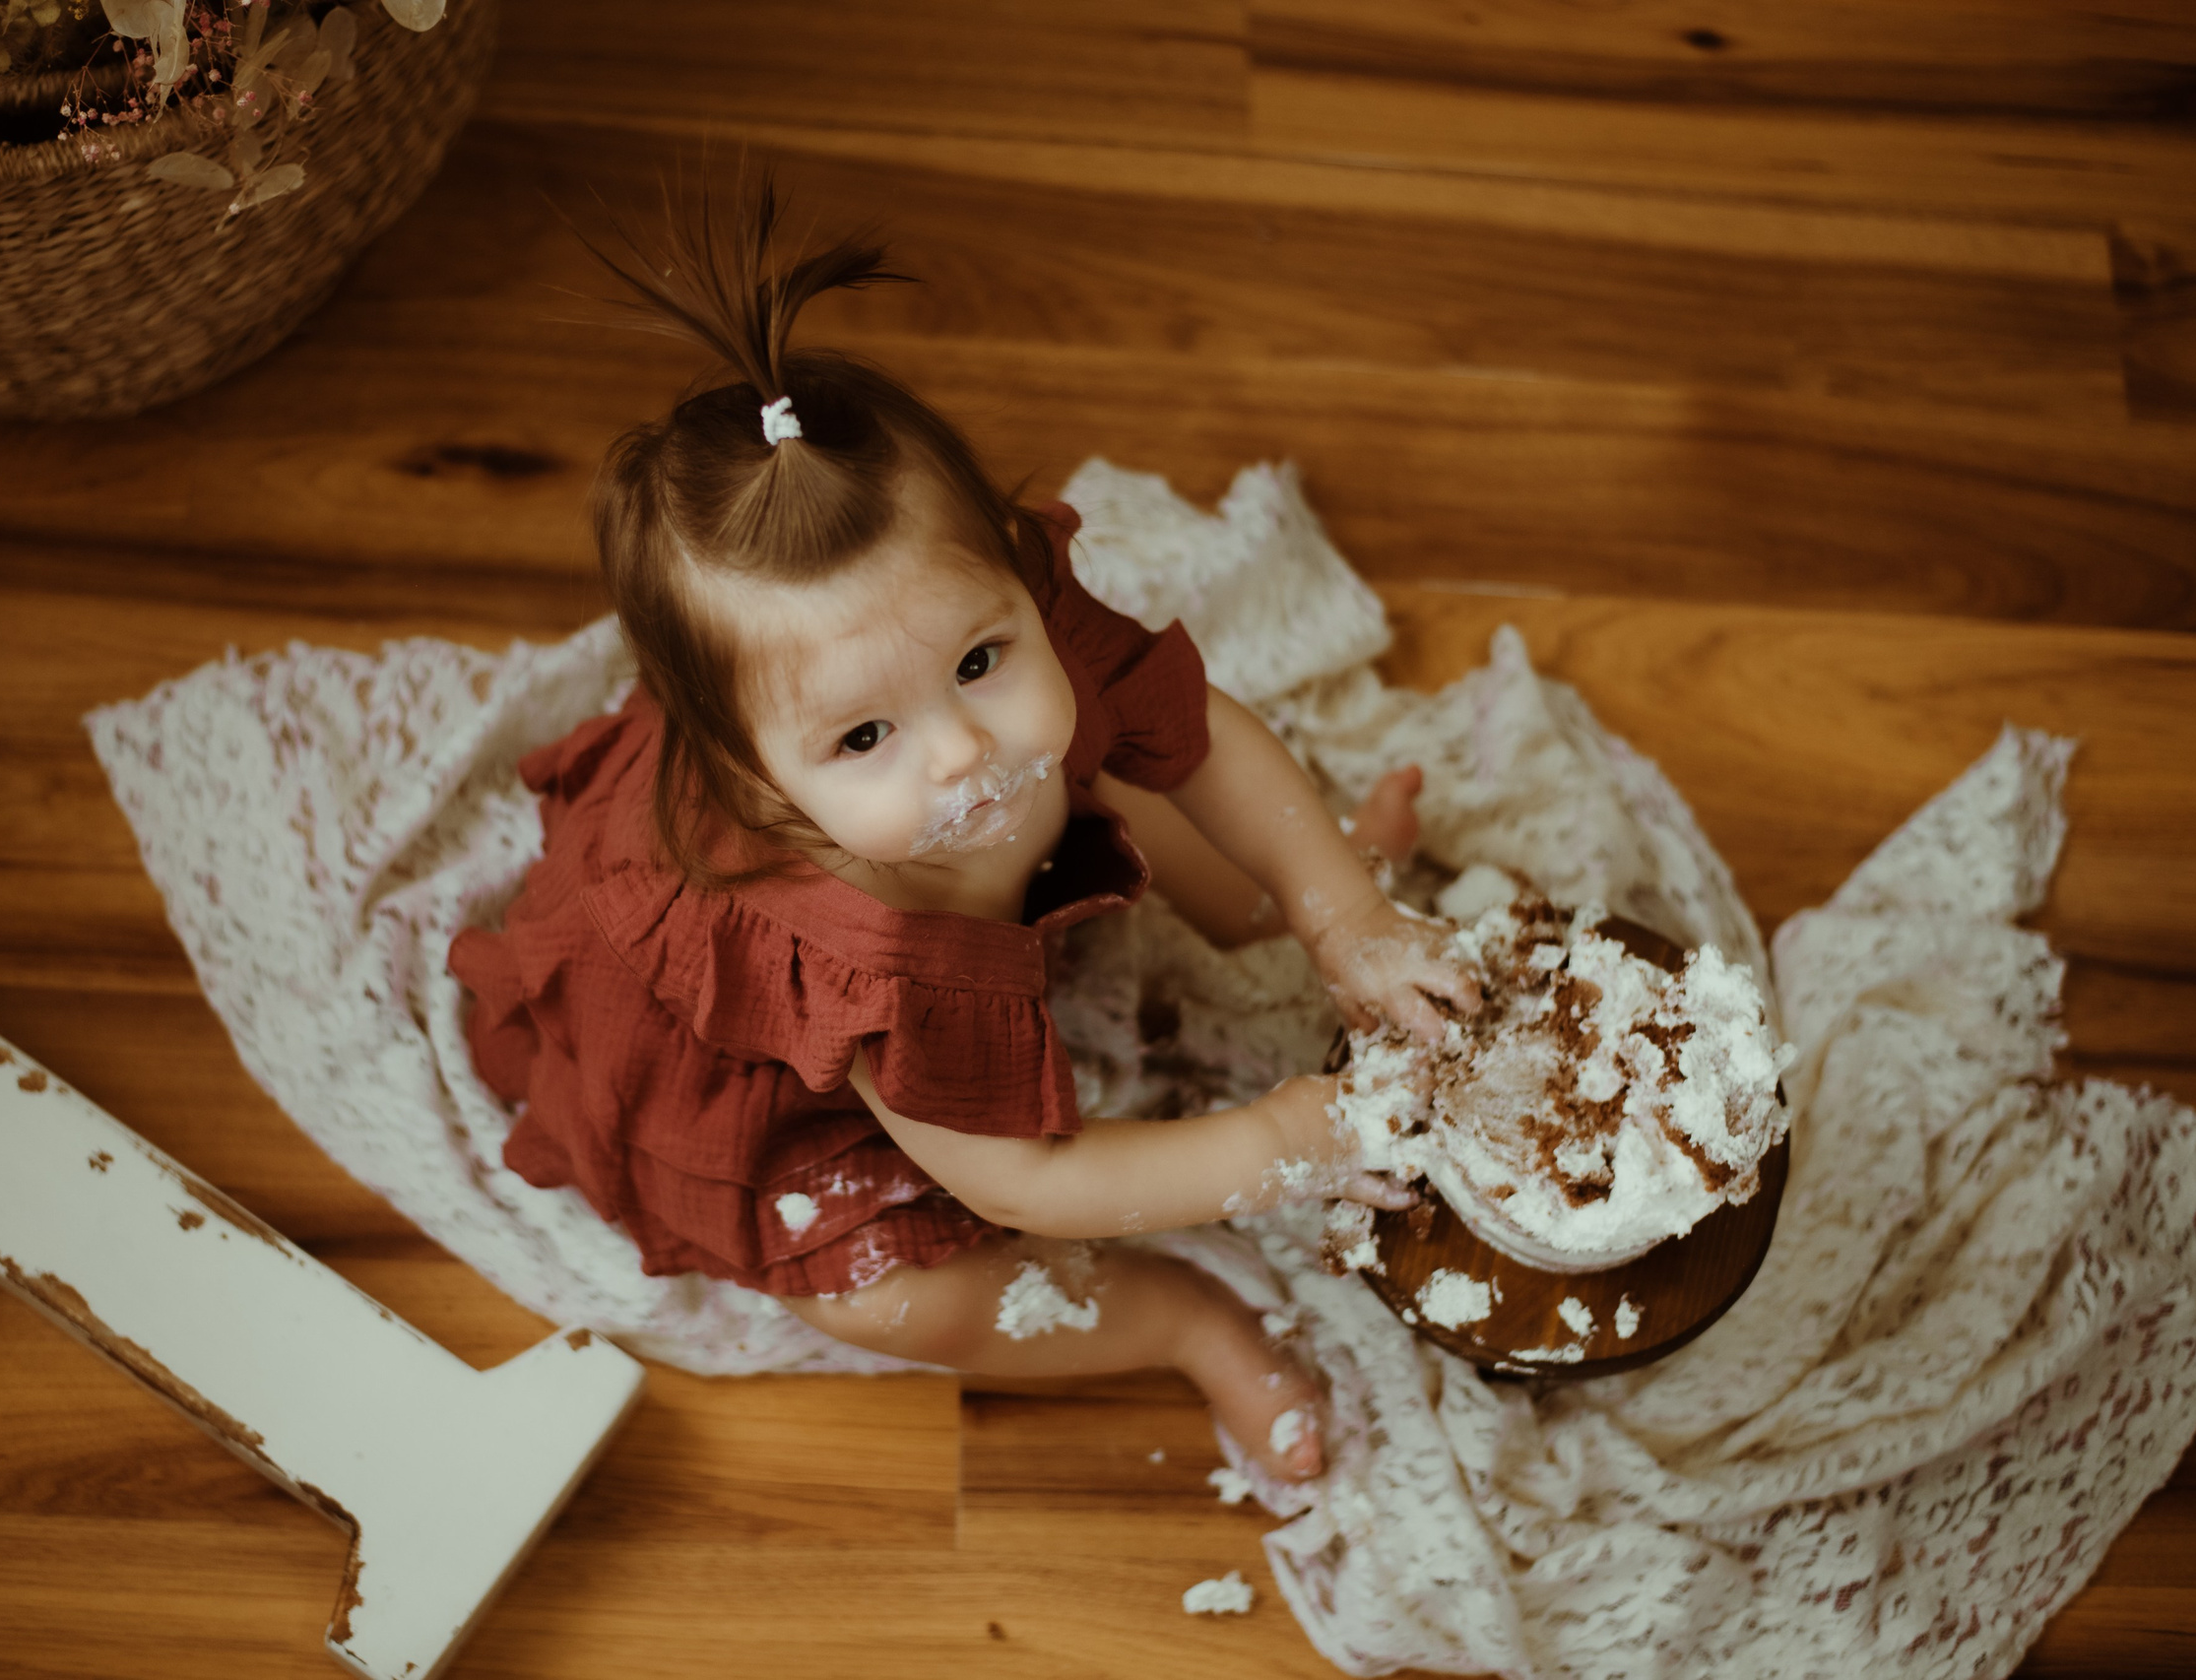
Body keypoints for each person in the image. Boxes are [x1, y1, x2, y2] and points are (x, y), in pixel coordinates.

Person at [451, 184, 1479, 1481]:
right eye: (862, 737)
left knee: (1108, 750)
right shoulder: (855, 958)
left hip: (954, 870)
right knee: (884, 1300)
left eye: (980, 659)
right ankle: (1183, 1326)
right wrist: (1286, 1144)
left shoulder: (998, 652)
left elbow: (1200, 736)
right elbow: (1025, 1183)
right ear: (757, 784)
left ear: (1010, 568)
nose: (957, 750)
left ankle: (1260, 908)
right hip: (799, 1098)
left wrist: (1345, 913)